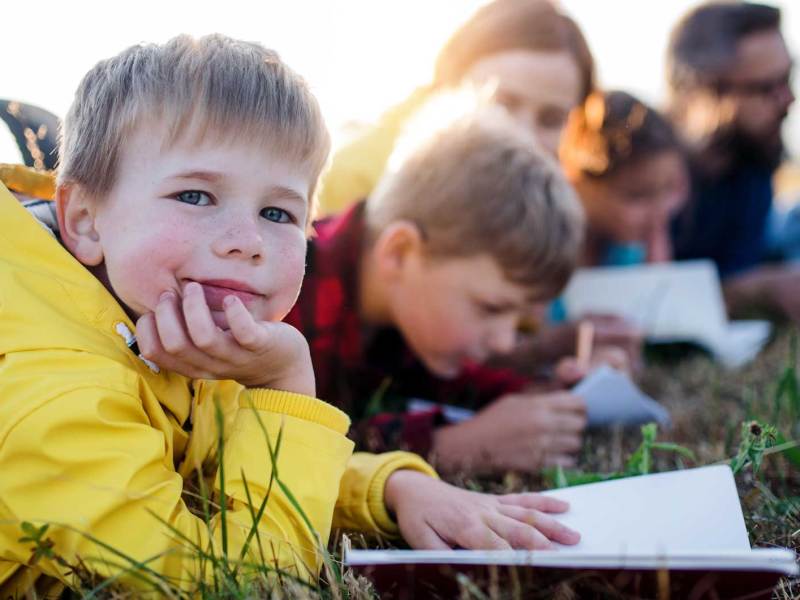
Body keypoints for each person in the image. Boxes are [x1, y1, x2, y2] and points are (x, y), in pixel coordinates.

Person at [0, 35, 580, 597]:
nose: (247, 241)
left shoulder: (158, 318)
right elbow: (243, 582)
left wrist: (393, 488)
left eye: (277, 212)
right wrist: (284, 383)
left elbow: (219, 456)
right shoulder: (57, 389)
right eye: (196, 196)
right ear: (84, 220)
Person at [285, 97, 589, 475]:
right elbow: (277, 447)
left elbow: (454, 384)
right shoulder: (285, 298)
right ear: (399, 253)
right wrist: (455, 447)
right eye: (491, 309)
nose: (505, 342)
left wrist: (540, 395)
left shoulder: (407, 307)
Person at [316, 0, 595, 215]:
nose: (523, 136)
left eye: (551, 120)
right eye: (502, 104)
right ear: (451, 78)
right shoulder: (354, 178)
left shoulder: (560, 205)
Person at [667, 1, 799, 320]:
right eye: (767, 88)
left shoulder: (751, 163)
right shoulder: (651, 174)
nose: (789, 100)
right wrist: (756, 291)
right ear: (705, 94)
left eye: (788, 77)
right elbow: (641, 294)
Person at [560, 90, 689, 267]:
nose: (658, 213)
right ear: (579, 183)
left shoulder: (628, 247)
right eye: (638, 196)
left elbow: (657, 281)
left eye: (668, 189)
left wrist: (656, 244)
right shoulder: (550, 248)